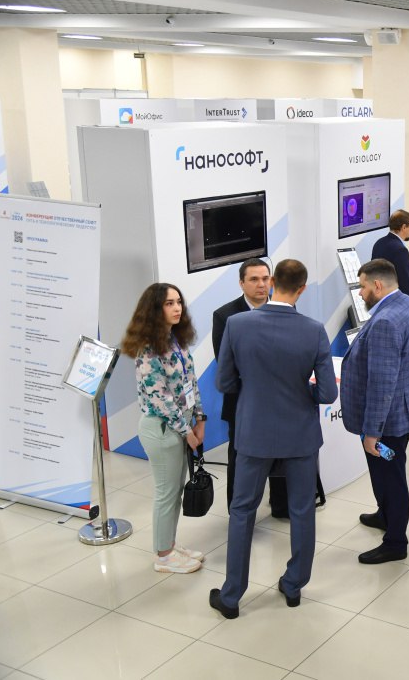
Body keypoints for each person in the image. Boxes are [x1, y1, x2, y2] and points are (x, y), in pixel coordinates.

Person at [210, 259, 338, 618]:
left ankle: (232, 596)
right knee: (302, 511)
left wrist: (254, 391)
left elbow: (224, 382)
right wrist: (302, 393)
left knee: (242, 511)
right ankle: (294, 585)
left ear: (272, 283)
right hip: (300, 435)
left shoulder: (237, 325)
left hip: (254, 432)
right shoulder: (314, 330)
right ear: (302, 289)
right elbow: (327, 393)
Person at [340, 259, 409, 564]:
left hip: (388, 424)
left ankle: (395, 541)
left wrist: (372, 433)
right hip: (405, 411)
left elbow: (382, 383)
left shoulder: (385, 322)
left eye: (363, 286)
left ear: (377, 285)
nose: (360, 292)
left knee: (390, 475)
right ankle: (385, 515)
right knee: (386, 472)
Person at [121, 283, 206, 575]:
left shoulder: (176, 341)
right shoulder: (148, 351)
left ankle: (169, 544)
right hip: (162, 429)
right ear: (154, 310)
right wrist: (187, 431)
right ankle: (164, 556)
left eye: (178, 302)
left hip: (181, 427)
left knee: (175, 491)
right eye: (169, 303)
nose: (177, 308)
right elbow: (161, 399)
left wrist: (200, 419)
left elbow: (191, 383)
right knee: (166, 493)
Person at [212, 258, 285, 515]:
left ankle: (281, 505)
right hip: (243, 402)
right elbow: (225, 364)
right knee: (240, 459)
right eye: (254, 279)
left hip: (280, 400)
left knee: (281, 452)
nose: (261, 284)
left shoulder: (284, 308)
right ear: (242, 283)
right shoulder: (225, 316)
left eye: (265, 279)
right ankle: (239, 512)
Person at [371, 209, 409, 299]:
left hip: (379, 299)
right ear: (404, 227)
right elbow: (405, 282)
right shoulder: (400, 250)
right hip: (396, 302)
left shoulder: (378, 243)